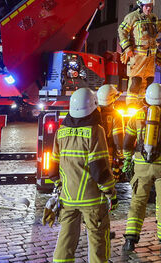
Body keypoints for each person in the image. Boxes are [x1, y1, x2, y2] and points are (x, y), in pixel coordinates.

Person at [48, 88, 117, 263]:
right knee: (98, 239)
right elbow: (99, 167)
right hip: (92, 199)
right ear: (94, 106)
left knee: (66, 238)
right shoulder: (95, 130)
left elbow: (53, 166)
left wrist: (59, 185)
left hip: (68, 197)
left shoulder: (61, 131)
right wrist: (111, 193)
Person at [121, 83, 161, 254]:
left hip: (142, 166)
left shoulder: (137, 115)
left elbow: (127, 143)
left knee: (137, 201)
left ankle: (130, 240)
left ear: (146, 98)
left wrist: (127, 161)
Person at [118, 0, 161, 106]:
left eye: (150, 6)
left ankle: (143, 105)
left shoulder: (153, 18)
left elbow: (160, 27)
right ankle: (131, 106)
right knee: (136, 81)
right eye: (146, 6)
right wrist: (127, 48)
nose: (149, 8)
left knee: (148, 81)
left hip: (150, 57)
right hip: (137, 57)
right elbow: (122, 31)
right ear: (140, 5)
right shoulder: (132, 17)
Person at [96, 84, 126, 168]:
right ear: (112, 99)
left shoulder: (92, 113)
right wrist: (121, 157)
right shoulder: (116, 115)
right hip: (106, 154)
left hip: (90, 155)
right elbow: (118, 140)